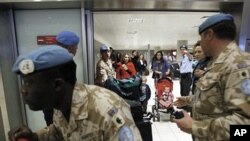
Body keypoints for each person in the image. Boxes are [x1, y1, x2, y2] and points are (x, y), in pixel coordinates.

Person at [9, 46, 142, 141]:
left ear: (57, 85)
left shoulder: (107, 109)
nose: (23, 90)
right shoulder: (61, 105)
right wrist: (36, 137)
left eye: (29, 83)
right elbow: (59, 131)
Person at [173, 13, 250, 140]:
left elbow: (244, 126)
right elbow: (217, 97)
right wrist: (188, 100)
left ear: (209, 34)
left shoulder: (238, 65)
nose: (200, 44)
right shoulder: (218, 63)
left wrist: (195, 127)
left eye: (201, 38)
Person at [42, 30, 80, 126]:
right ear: (70, 48)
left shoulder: (48, 59)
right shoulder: (67, 63)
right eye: (76, 46)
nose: (77, 48)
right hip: (59, 108)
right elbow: (69, 89)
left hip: (47, 105)